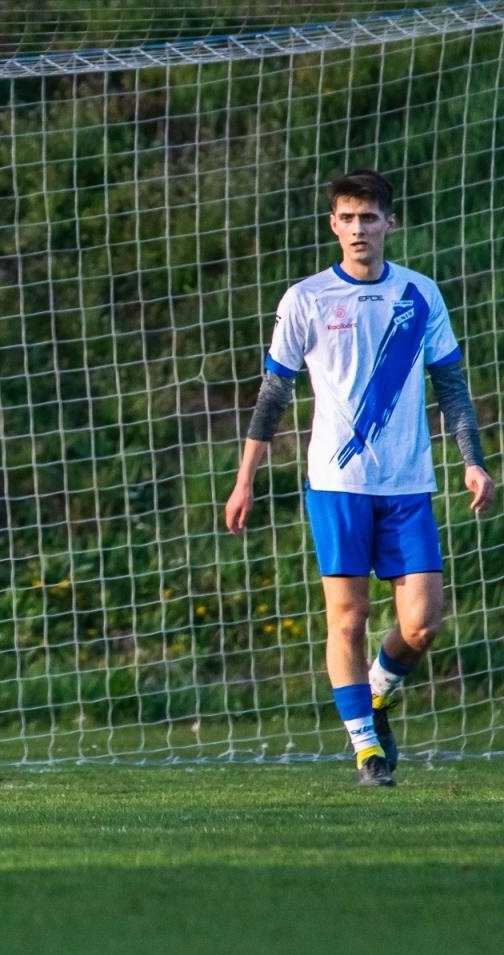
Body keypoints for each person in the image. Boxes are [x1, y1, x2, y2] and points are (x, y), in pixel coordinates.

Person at [225, 169, 493, 787]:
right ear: (333, 225)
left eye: (369, 217)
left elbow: (451, 386)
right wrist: (245, 480)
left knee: (422, 623)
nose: (357, 229)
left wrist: (472, 461)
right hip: (337, 484)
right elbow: (272, 396)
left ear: (389, 224)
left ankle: (376, 691)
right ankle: (366, 749)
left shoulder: (420, 294)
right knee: (346, 617)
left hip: (406, 484)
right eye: (346, 217)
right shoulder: (307, 298)